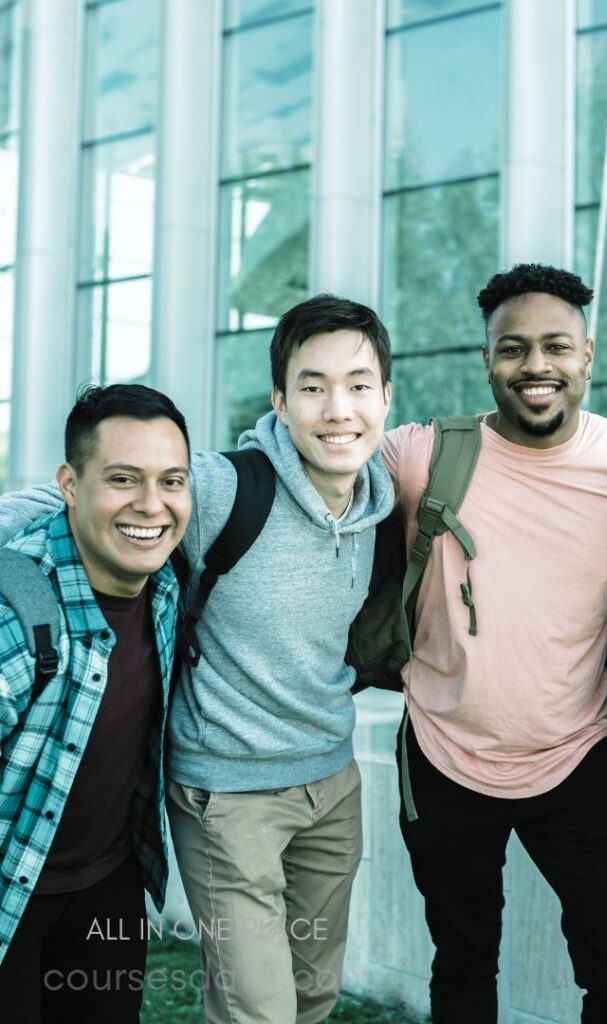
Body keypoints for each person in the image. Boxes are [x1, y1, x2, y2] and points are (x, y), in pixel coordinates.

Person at [0, 295, 394, 1024]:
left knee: (312, 995)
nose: (338, 408)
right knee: (258, 1010)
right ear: (280, 400)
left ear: (385, 397)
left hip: (330, 784)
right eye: (312, 387)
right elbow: (76, 495)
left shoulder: (384, 493)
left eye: (359, 386)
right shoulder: (220, 487)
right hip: (229, 797)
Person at [380, 263, 607, 1022]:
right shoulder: (423, 456)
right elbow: (305, 466)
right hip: (442, 755)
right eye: (513, 349)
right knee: (464, 963)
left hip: (579, 753)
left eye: (556, 347)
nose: (536, 366)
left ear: (588, 355)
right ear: (487, 362)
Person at [0, 384, 191, 1023]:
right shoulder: (14, 615)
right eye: (122, 478)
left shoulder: (167, 584)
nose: (151, 505)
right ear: (69, 483)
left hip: (107, 887)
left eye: (171, 481)